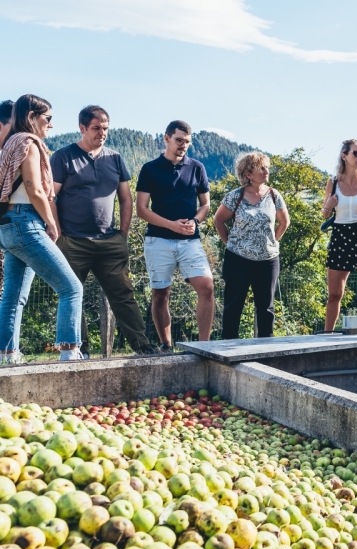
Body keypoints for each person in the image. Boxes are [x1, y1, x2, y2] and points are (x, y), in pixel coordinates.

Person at [50, 105, 159, 356]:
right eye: (96, 128)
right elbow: (50, 197)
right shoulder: (63, 157)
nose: (102, 133)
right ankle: (80, 350)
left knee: (123, 295)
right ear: (82, 128)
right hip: (73, 241)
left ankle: (142, 347)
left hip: (110, 241)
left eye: (105, 128)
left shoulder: (115, 158)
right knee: (71, 295)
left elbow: (126, 198)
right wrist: (58, 234)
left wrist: (122, 233)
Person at [0, 94, 84, 362]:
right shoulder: (29, 143)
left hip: (8, 225)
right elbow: (35, 189)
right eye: (47, 118)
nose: (50, 124)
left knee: (13, 296)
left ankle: (7, 354)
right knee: (71, 288)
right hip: (27, 222)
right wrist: (51, 222)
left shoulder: (9, 143)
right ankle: (70, 352)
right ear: (31, 118)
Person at [135, 120, 214, 350]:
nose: (183, 146)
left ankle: (204, 347)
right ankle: (165, 345)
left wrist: (195, 221)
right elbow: (142, 209)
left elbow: (206, 205)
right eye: (179, 140)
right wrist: (171, 225)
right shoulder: (150, 169)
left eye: (187, 142)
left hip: (190, 240)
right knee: (160, 294)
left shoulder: (197, 167)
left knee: (207, 287)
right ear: (166, 138)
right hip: (158, 240)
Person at [213, 152, 289, 339]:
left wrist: (272, 243)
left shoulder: (273, 195)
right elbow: (218, 221)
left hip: (268, 260)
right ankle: (228, 347)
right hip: (237, 259)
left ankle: (265, 348)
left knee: (266, 307)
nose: (266, 171)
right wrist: (231, 243)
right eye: (261, 168)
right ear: (248, 174)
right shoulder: (234, 196)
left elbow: (284, 222)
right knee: (233, 305)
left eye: (267, 167)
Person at [321, 140, 357, 332]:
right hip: (340, 235)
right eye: (356, 153)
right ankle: (327, 336)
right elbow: (325, 214)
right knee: (334, 294)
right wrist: (328, 207)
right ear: (344, 156)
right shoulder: (333, 182)